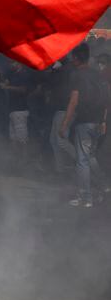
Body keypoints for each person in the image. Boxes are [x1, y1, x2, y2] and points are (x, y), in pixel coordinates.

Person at [60, 43, 109, 208]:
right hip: (97, 122)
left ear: (75, 58)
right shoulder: (98, 75)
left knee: (82, 160)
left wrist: (64, 124)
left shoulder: (77, 75)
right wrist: (103, 121)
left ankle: (85, 197)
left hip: (85, 122)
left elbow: (73, 101)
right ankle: (104, 187)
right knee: (90, 157)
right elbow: (105, 99)